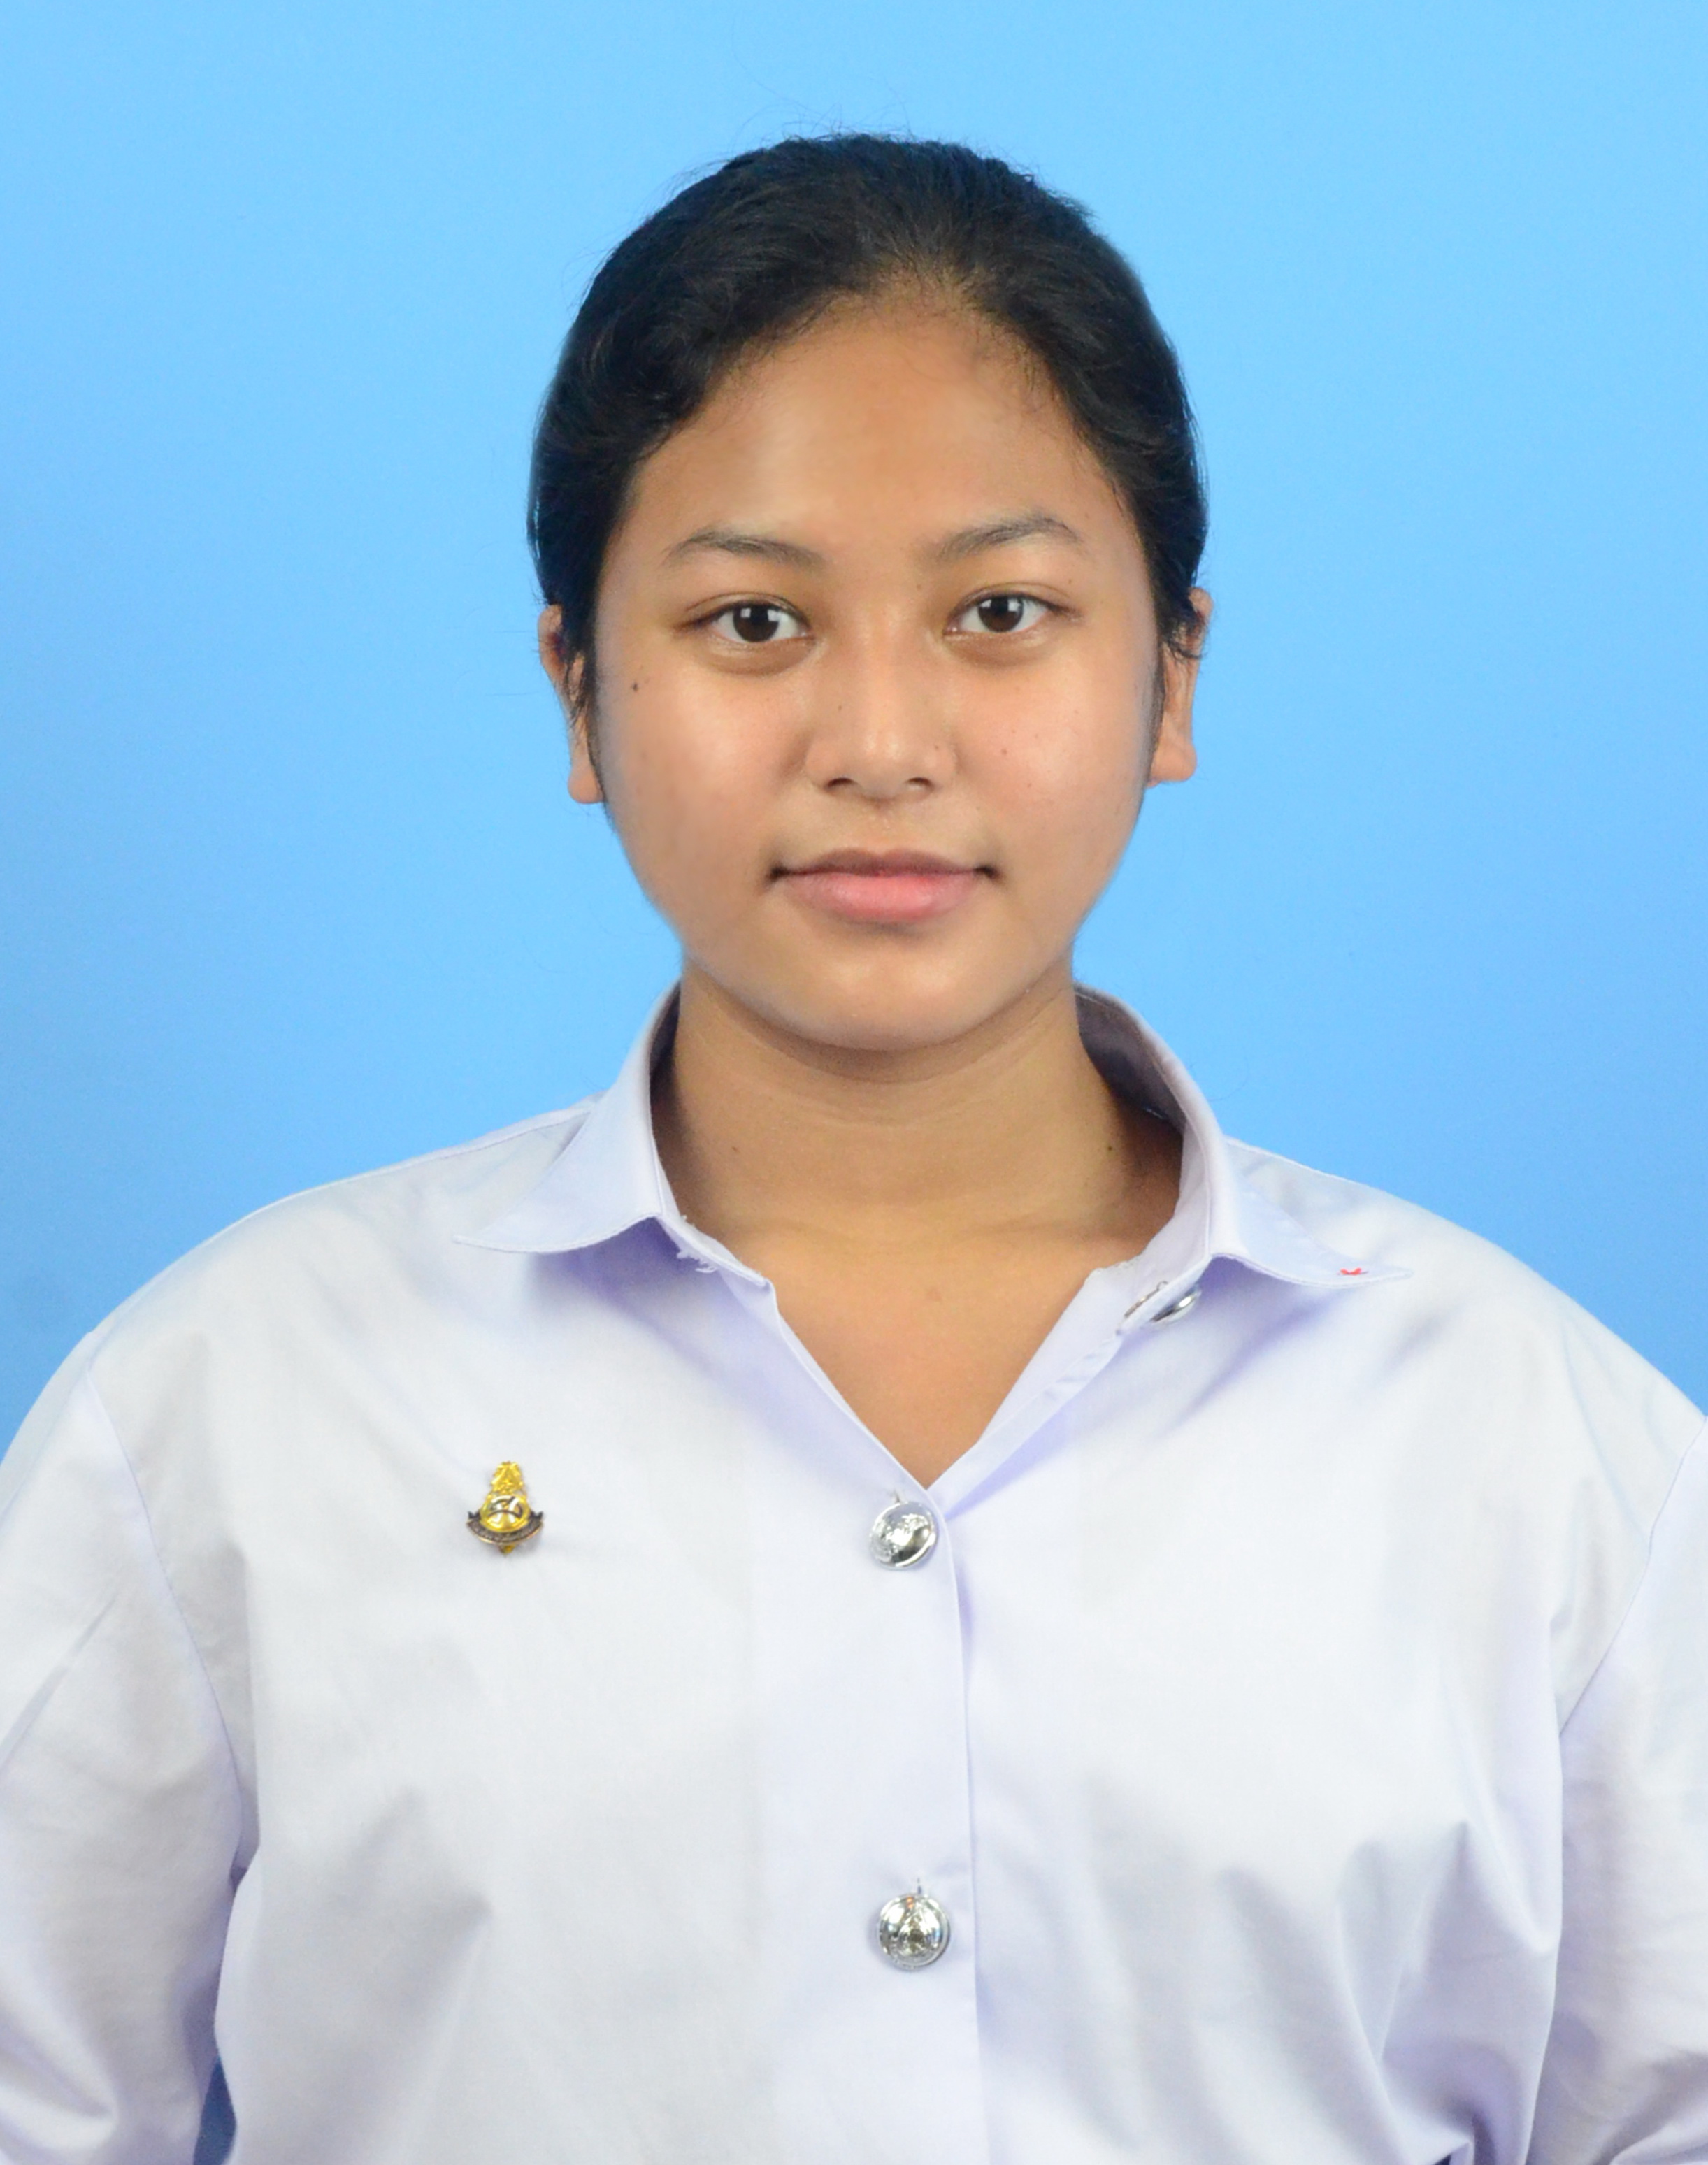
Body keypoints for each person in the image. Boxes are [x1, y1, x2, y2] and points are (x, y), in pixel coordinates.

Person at [0, 133, 1703, 2165]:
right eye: (751, 621)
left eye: (1000, 611)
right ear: (576, 689)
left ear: (1170, 676)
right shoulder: (233, 1408)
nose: (881, 742)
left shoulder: (1531, 1445)